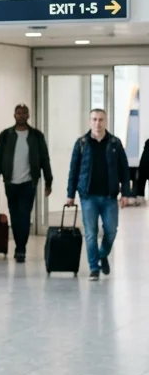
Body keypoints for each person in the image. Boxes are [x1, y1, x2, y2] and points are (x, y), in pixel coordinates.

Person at [66, 109, 133, 280]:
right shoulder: (81, 143)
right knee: (90, 233)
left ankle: (102, 254)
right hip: (88, 196)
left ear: (106, 121)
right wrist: (70, 194)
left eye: (101, 119)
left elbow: (124, 170)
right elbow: (73, 171)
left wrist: (125, 193)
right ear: (89, 122)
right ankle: (94, 268)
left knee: (111, 231)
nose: (98, 123)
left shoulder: (115, 143)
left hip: (109, 196)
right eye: (94, 119)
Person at [0, 104, 52, 263]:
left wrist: (48, 181)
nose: (21, 115)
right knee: (15, 216)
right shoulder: (6, 135)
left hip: (29, 183)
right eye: (18, 113)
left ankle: (21, 248)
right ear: (14, 115)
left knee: (24, 216)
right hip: (10, 182)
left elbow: (44, 158)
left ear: (28, 115)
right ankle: (19, 245)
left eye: (24, 113)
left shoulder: (36, 136)